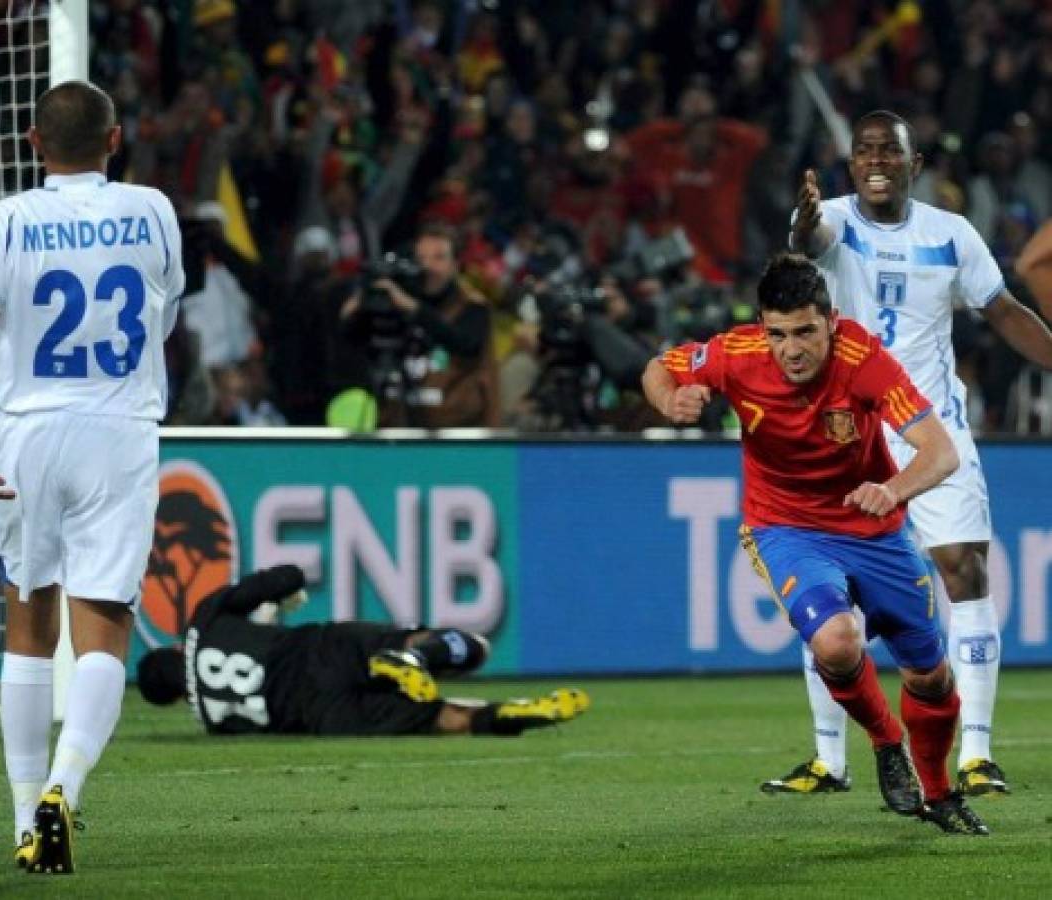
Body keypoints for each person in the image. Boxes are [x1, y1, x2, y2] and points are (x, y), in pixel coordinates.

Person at [643, 252, 987, 836]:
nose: (791, 349)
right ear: (761, 327)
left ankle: (939, 792)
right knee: (835, 639)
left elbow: (940, 451)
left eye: (805, 331)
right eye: (778, 334)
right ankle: (885, 743)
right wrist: (668, 399)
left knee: (930, 676)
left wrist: (893, 488)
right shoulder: (735, 353)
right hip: (786, 527)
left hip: (874, 530)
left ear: (830, 322)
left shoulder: (864, 360)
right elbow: (660, 367)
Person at [0, 81, 185, 874]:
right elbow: (165, 310)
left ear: (31, 140)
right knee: (102, 625)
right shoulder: (151, 209)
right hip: (117, 430)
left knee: (28, 624)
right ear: (116, 139)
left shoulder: (1, 220)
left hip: (25, 430)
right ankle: (65, 789)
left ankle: (22, 815)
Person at [772, 109, 1052, 798]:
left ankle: (977, 755)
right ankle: (827, 760)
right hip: (846, 433)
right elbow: (808, 236)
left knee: (964, 567)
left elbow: (1004, 311)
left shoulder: (950, 234)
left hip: (929, 427)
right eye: (863, 150)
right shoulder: (832, 221)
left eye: (888, 151)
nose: (875, 160)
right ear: (849, 165)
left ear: (913, 164)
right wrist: (804, 218)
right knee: (833, 593)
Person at [137, 564, 589, 737]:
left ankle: (503, 715)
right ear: (176, 649)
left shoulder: (212, 720)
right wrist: (279, 598)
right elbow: (288, 575)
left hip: (321, 715)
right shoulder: (205, 619)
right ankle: (415, 657)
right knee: (471, 647)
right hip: (317, 651)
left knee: (437, 719)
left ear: (176, 698)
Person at [340, 220, 500, 428]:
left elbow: (465, 343)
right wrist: (362, 304)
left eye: (439, 258)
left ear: (455, 265)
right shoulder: (395, 302)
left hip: (454, 429)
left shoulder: (472, 307)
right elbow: (353, 339)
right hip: (396, 425)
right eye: (421, 258)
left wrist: (413, 309)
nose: (428, 266)